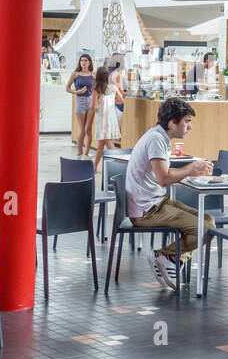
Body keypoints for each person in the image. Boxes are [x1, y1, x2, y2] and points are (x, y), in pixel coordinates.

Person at [124, 97, 214, 291]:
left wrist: (190, 170)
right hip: (147, 211)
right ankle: (165, 256)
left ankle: (170, 258)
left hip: (155, 203)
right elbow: (164, 178)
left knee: (208, 221)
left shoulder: (159, 136)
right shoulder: (157, 140)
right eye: (187, 121)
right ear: (173, 123)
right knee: (205, 229)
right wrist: (191, 169)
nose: (190, 127)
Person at [89, 66, 122, 172]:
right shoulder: (113, 88)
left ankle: (120, 165)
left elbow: (93, 108)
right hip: (111, 118)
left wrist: (91, 106)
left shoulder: (96, 90)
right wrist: (112, 103)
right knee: (101, 144)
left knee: (108, 143)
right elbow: (121, 101)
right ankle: (94, 167)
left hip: (102, 120)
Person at [66, 54, 96, 157]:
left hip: (91, 101)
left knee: (89, 129)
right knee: (82, 129)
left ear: (89, 62)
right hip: (80, 101)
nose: (83, 62)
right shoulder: (75, 74)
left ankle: (87, 153)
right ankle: (79, 153)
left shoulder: (93, 74)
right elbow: (67, 88)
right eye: (82, 60)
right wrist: (77, 92)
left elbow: (97, 89)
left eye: (86, 60)